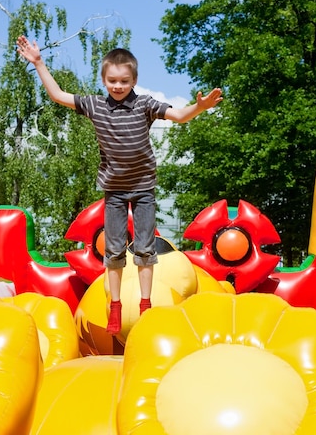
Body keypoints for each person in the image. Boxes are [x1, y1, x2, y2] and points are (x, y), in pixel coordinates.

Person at [16, 36, 223, 335]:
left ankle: (145, 304)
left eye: (124, 81)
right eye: (112, 80)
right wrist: (38, 63)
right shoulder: (95, 105)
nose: (117, 86)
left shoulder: (144, 105)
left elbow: (178, 116)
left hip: (143, 190)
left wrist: (199, 107)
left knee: (145, 249)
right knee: (113, 252)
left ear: (134, 80)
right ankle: (115, 306)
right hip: (113, 190)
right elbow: (58, 95)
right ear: (103, 80)